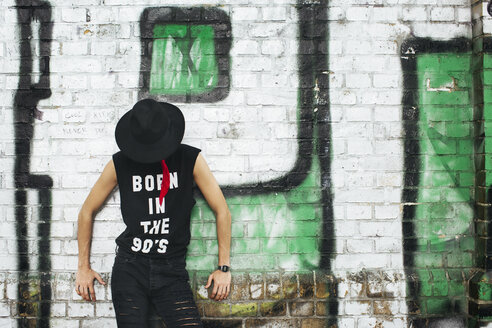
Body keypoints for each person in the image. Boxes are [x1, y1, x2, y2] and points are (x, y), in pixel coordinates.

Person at [75, 99, 231, 327]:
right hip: (130, 268)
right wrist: (83, 268)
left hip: (172, 270)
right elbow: (87, 210)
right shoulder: (120, 163)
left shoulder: (190, 159)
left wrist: (223, 267)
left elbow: (222, 211)